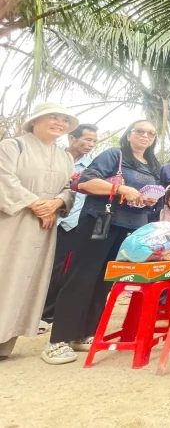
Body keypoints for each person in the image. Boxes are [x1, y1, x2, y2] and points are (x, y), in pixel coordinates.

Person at [46, 119, 161, 364]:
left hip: (129, 230)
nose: (145, 136)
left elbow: (152, 197)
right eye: (139, 131)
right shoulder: (115, 155)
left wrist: (149, 200)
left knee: (103, 281)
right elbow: (86, 181)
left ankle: (85, 334)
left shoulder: (152, 165)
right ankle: (58, 340)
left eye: (150, 133)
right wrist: (121, 189)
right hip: (100, 223)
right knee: (82, 277)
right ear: (129, 134)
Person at [0, 103, 77, 361]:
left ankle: (5, 344)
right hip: (13, 221)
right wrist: (35, 204)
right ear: (36, 120)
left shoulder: (65, 157)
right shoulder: (13, 146)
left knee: (28, 280)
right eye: (53, 117)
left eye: (64, 119)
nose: (60, 122)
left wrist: (55, 204)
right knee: (5, 275)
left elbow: (69, 188)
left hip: (45, 226)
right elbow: (4, 179)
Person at [40, 123, 98, 331]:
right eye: (87, 139)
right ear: (72, 139)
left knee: (61, 267)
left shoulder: (93, 167)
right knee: (36, 266)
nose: (90, 144)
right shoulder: (52, 159)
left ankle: (47, 314)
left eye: (93, 141)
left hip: (72, 223)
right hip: (43, 218)